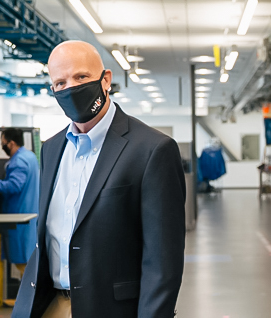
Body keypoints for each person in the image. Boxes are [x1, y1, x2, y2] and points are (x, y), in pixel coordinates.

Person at [12, 41, 186, 318]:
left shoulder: (152, 149)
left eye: (81, 77)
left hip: (112, 309)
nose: (71, 88)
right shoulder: (51, 148)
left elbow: (163, 261)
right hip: (50, 305)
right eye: (60, 83)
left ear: (106, 80)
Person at [0, 128, 39, 279]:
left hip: (19, 215)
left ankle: (32, 301)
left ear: (11, 143)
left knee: (24, 265)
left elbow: (14, 186)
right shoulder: (30, 156)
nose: (2, 146)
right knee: (28, 263)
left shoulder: (18, 161)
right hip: (29, 212)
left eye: (3, 143)